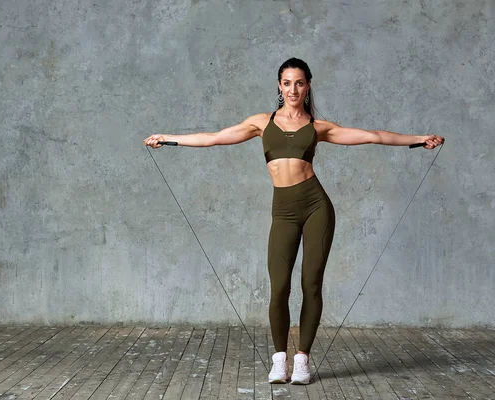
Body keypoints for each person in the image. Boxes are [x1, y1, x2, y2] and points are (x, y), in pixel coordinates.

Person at [143, 57, 444, 385]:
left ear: (308, 86)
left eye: (299, 83)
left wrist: (418, 139)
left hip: (317, 208)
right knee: (279, 287)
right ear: (279, 86)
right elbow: (212, 137)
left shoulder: (318, 127)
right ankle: (279, 360)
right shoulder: (261, 123)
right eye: (287, 83)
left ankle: (302, 360)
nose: (293, 89)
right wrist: (168, 138)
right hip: (283, 211)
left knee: (310, 284)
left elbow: (374, 136)